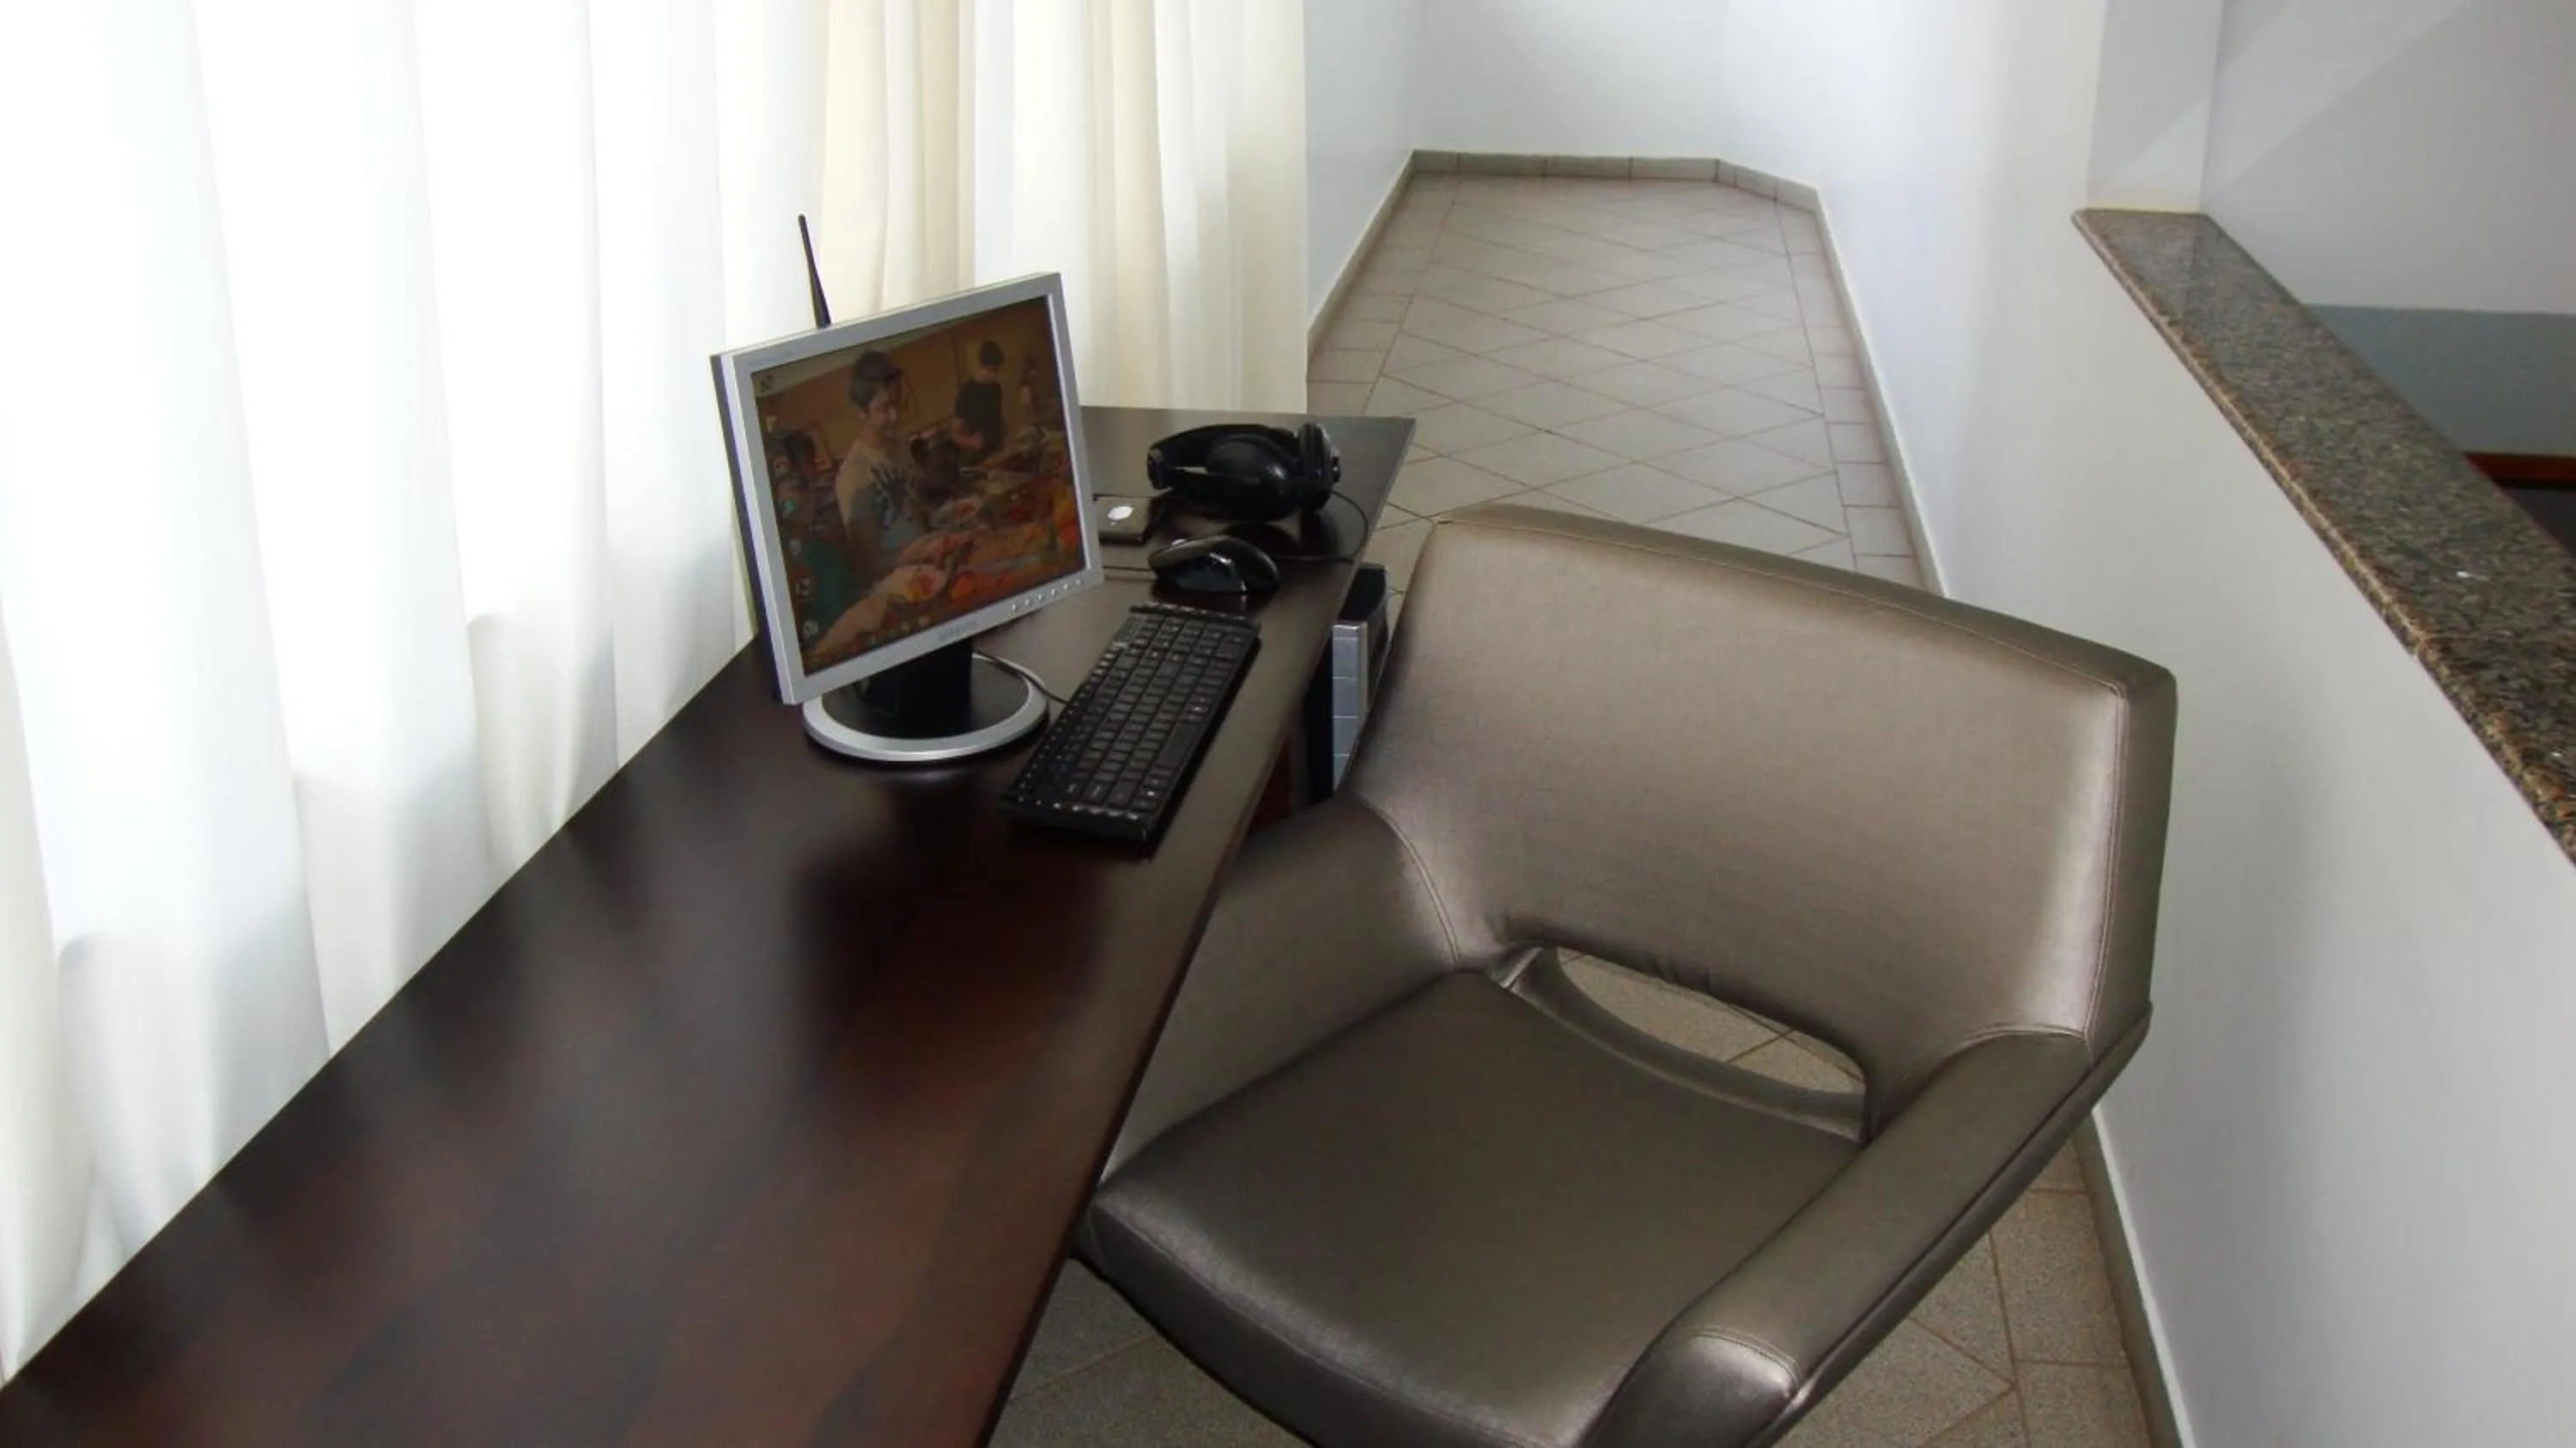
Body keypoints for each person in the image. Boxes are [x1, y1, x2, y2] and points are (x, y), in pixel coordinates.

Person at [946, 340, 1007, 464]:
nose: (993, 376)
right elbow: (955, 436)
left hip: (998, 453)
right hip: (978, 460)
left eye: (996, 371)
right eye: (990, 371)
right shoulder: (966, 393)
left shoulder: (996, 388)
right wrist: (970, 441)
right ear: (980, 364)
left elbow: (997, 419)